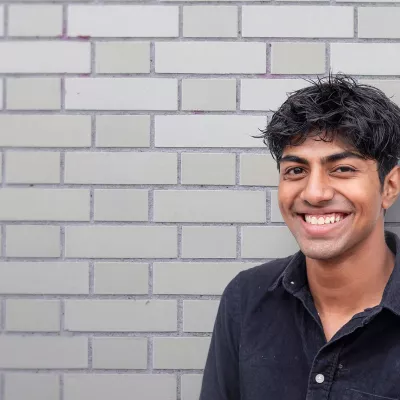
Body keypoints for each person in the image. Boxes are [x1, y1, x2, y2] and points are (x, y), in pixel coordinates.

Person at [199, 75, 400, 400]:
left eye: (343, 169)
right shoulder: (246, 298)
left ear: (389, 187)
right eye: (296, 170)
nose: (315, 193)